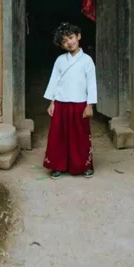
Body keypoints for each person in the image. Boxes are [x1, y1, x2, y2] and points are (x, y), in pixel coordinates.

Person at [43, 22, 97, 179]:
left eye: (71, 38)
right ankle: (58, 165)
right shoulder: (60, 61)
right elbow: (55, 81)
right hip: (61, 103)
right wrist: (52, 102)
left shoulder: (87, 61)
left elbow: (91, 84)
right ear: (61, 45)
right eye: (64, 41)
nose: (69, 43)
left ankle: (84, 165)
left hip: (80, 103)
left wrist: (90, 105)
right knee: (58, 135)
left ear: (78, 36)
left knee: (80, 135)